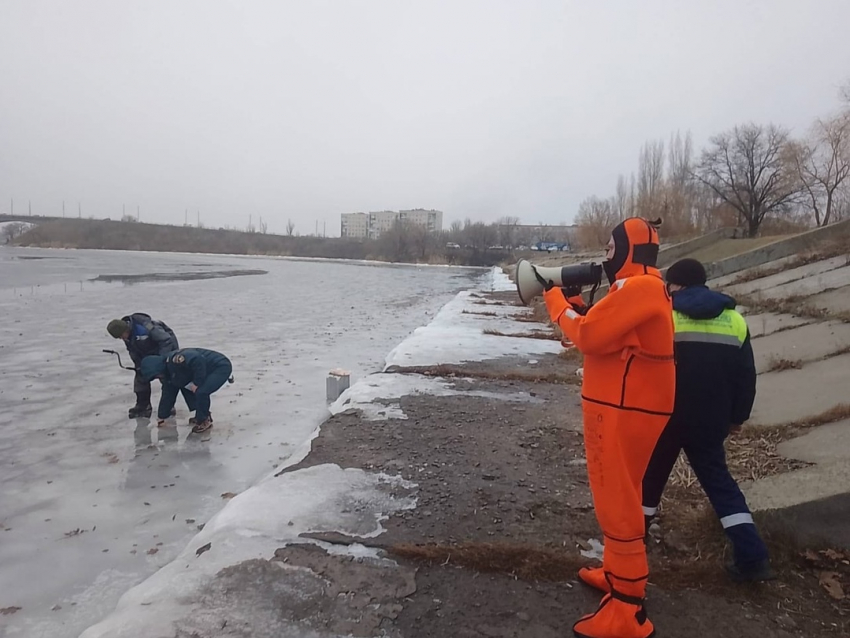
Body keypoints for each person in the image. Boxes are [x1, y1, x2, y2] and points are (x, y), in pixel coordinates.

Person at [539, 217, 675, 638]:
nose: (606, 256)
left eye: (610, 248)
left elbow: (593, 338)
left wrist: (559, 307)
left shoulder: (641, 289)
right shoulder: (638, 290)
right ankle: (618, 576)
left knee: (618, 503)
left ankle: (628, 610)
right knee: (619, 497)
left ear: (625, 250)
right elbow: (609, 334)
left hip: (625, 409)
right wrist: (580, 310)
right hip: (620, 406)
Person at [642, 258, 773, 582]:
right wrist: (737, 417)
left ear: (675, 285)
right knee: (720, 485)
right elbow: (746, 377)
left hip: (665, 417)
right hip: (710, 420)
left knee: (649, 481)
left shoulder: (664, 316)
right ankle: (753, 558)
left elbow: (644, 366)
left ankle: (631, 545)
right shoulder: (735, 321)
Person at [140, 348, 232, 434]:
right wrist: (162, 416)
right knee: (182, 383)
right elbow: (168, 394)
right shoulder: (168, 372)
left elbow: (197, 359)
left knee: (201, 391)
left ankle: (204, 420)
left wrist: (197, 382)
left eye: (156, 375)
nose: (157, 378)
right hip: (206, 369)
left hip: (220, 366)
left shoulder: (175, 360)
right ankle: (201, 414)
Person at [107, 314, 179, 418]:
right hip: (147, 351)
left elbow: (166, 340)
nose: (121, 339)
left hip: (166, 348)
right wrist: (139, 366)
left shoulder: (145, 327)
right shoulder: (127, 337)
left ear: (126, 329)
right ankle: (143, 405)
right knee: (140, 376)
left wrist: (161, 360)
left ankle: (168, 406)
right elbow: (133, 351)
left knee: (166, 377)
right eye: (119, 337)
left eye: (121, 335)